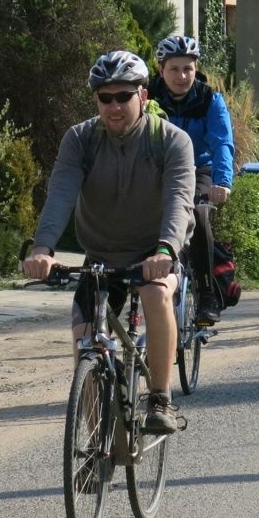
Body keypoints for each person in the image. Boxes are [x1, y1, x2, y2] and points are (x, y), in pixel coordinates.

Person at [23, 51, 195, 435]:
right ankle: (92, 442)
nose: (114, 106)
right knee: (85, 340)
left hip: (157, 252)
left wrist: (165, 249)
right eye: (105, 97)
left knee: (154, 294)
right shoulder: (80, 139)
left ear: (143, 96)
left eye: (124, 96)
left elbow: (179, 200)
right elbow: (61, 195)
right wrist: (43, 249)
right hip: (101, 254)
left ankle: (160, 399)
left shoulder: (171, 141)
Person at [148, 35, 235, 326]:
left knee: (197, 214)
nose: (182, 76)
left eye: (188, 69)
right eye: (174, 69)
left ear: (196, 69)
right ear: (161, 70)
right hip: (157, 169)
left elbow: (222, 142)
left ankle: (208, 295)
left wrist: (222, 182)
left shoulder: (210, 99)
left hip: (199, 170)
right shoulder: (147, 97)